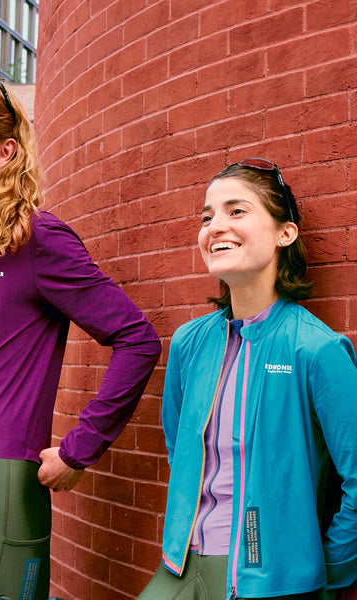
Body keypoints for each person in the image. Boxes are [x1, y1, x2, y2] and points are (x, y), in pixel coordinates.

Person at [0, 65, 161, 600]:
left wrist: (80, 449)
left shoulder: (38, 240)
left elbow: (137, 340)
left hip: (1, 486)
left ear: (4, 152)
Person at [137, 158, 357, 600]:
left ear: (284, 233)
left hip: (271, 580)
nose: (215, 226)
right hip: (179, 566)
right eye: (207, 217)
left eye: (236, 211)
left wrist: (323, 570)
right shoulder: (188, 343)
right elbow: (180, 451)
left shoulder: (316, 350)